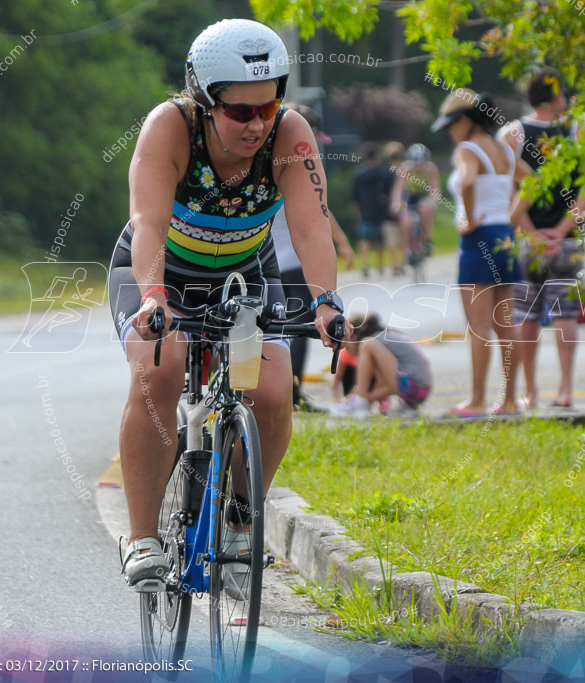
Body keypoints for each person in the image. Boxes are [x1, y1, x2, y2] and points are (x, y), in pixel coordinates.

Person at [107, 19, 342, 588]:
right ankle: (142, 540)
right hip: (160, 269)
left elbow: (311, 228)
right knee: (159, 366)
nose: (258, 123)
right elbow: (149, 224)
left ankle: (240, 515)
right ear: (205, 101)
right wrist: (156, 298)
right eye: (241, 111)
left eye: (269, 106)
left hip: (243, 274)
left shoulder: (290, 135)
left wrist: (327, 303)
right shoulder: (170, 128)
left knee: (271, 380)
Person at [501, 67, 585, 409]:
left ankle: (531, 390)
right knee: (565, 315)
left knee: (526, 315)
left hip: (526, 242)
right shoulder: (578, 131)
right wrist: (561, 228)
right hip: (568, 240)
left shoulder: (513, 133)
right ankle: (565, 389)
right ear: (559, 97)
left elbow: (508, 189)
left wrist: (531, 232)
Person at [431, 88, 524, 417]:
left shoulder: (467, 149)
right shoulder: (504, 149)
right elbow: (535, 182)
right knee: (506, 324)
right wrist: (509, 218)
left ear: (466, 121)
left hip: (478, 238)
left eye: (452, 124)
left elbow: (468, 183)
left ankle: (477, 400)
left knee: (479, 326)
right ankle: (511, 400)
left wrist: (469, 221)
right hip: (505, 237)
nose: (450, 132)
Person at [271, 103, 356, 411]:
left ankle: (281, 393)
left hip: (268, 262)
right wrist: (342, 241)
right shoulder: (301, 165)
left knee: (274, 329)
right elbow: (316, 214)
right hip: (297, 260)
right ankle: (291, 396)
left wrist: (343, 240)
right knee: (297, 330)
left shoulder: (267, 160)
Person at [329, 312, 432, 419]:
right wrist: (362, 396)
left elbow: (389, 386)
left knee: (367, 343)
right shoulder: (383, 340)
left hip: (414, 386)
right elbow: (385, 385)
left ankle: (359, 403)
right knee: (362, 394)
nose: (348, 352)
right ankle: (359, 402)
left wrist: (362, 397)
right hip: (419, 391)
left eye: (347, 347)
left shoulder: (374, 341)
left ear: (354, 337)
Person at [390, 143, 441, 264]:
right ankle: (407, 249)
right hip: (410, 197)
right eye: (416, 162)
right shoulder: (406, 168)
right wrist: (397, 203)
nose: (418, 165)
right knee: (406, 221)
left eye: (421, 162)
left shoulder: (431, 169)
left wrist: (434, 201)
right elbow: (399, 188)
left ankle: (427, 240)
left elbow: (435, 188)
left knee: (425, 209)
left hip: (423, 195)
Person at [352, 144, 392, 277]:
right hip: (380, 211)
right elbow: (387, 194)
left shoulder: (359, 174)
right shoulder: (383, 173)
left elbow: (355, 197)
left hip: (364, 211)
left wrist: (357, 213)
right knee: (380, 240)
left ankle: (365, 264)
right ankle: (380, 265)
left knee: (364, 238)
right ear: (376, 157)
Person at [383, 141, 407, 274]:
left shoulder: (386, 173)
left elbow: (383, 194)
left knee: (391, 238)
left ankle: (394, 264)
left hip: (389, 209)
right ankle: (403, 262)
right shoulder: (406, 170)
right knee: (404, 235)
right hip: (405, 207)